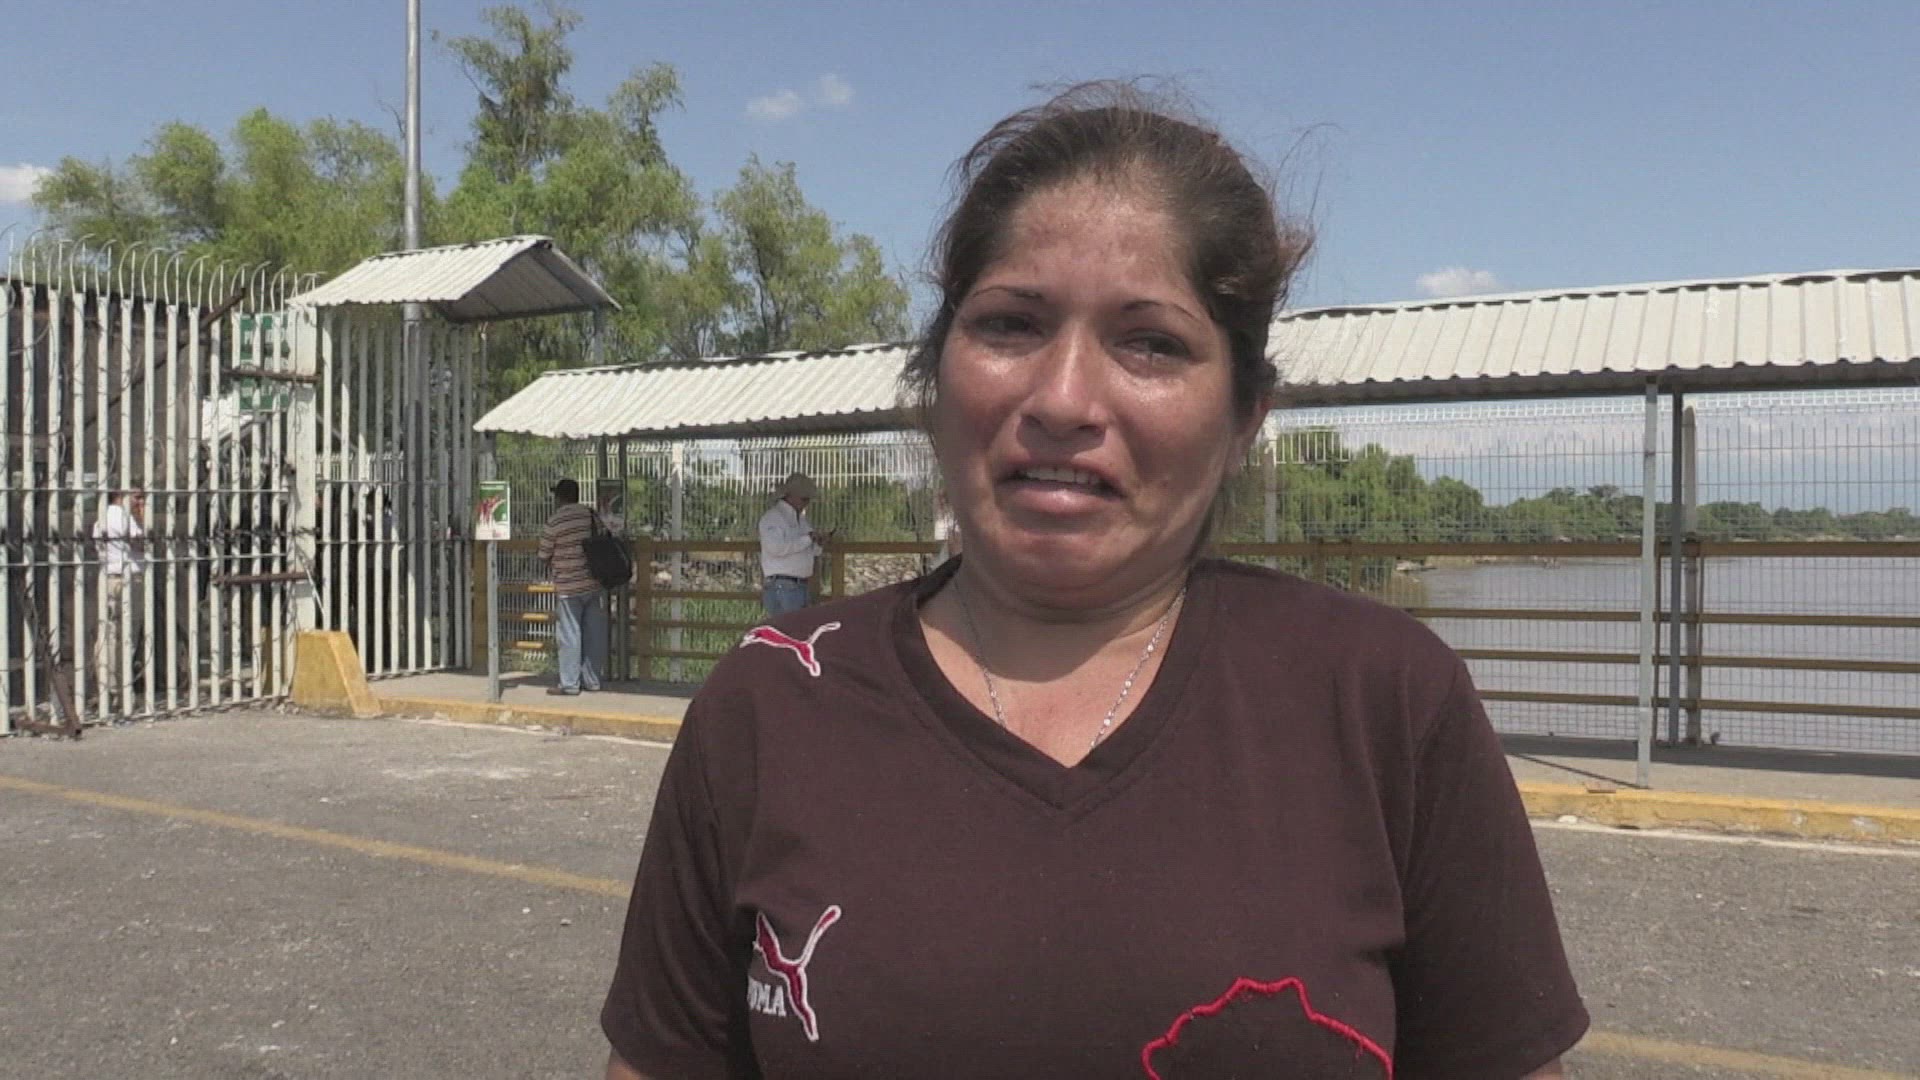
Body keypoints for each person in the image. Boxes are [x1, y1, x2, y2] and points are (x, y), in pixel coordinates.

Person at [601, 83, 1586, 1079]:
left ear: (1244, 417)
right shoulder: (770, 702)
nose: (1064, 399)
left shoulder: (1386, 702)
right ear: (935, 382)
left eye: (1150, 342)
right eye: (1011, 325)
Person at [538, 478, 606, 696]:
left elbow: (543, 553)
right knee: (593, 634)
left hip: (568, 587)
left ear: (560, 498)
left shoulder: (555, 521)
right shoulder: (590, 515)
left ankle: (570, 683)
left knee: (570, 634)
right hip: (592, 583)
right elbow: (603, 538)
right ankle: (592, 681)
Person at [92, 490, 145, 712]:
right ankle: (123, 691)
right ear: (121, 496)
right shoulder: (124, 518)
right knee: (127, 636)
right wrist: (142, 517)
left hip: (108, 577)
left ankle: (108, 689)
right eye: (137, 497)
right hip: (128, 579)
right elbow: (142, 543)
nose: (141, 501)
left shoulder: (101, 518)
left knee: (108, 634)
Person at [757, 472, 827, 616]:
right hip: (783, 587)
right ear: (791, 496)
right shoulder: (773, 518)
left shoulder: (801, 520)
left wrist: (818, 543)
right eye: (804, 499)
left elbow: (811, 550)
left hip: (798, 586)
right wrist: (808, 539)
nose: (807, 503)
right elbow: (776, 548)